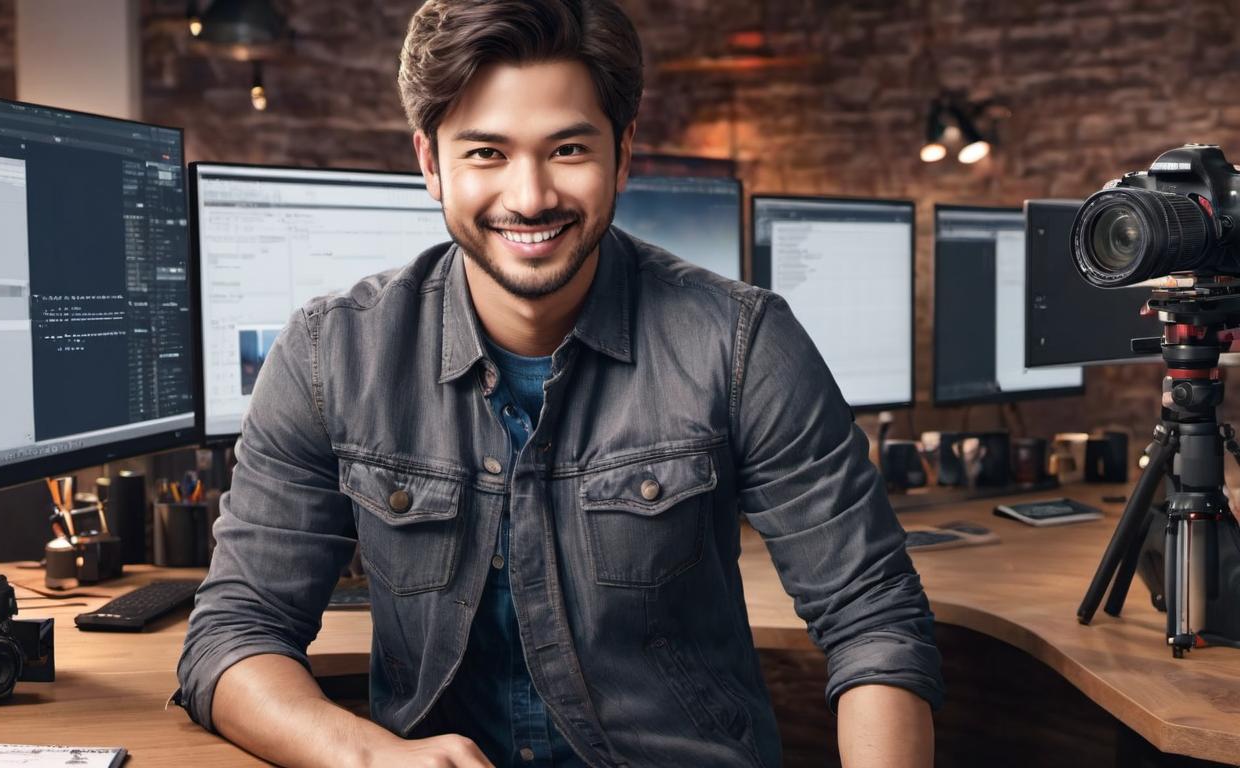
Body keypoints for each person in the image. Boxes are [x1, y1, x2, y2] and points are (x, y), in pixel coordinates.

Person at [176, 1, 944, 766]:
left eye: (568, 148)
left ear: (625, 150)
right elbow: (235, 634)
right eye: (486, 153)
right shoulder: (330, 354)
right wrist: (376, 759)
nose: (531, 196)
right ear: (428, 162)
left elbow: (872, 616)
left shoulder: (741, 344)